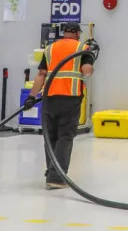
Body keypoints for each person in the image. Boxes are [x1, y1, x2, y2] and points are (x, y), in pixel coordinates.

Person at [29, 22, 95, 189]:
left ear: (64, 33)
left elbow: (41, 74)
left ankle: (51, 170)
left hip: (49, 98)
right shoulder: (82, 47)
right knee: (65, 136)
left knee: (50, 137)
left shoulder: (50, 48)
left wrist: (31, 97)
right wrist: (91, 57)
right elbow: (87, 71)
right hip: (70, 98)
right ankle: (56, 177)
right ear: (78, 33)